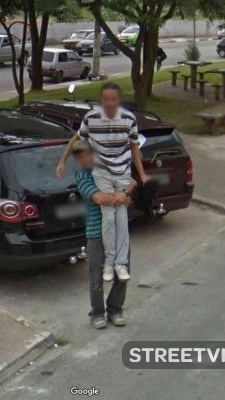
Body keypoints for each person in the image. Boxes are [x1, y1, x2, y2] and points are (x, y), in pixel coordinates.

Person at [56, 81, 149, 284]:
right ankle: (109, 262)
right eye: (106, 99)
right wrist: (62, 161)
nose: (109, 103)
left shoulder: (129, 119)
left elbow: (134, 148)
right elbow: (76, 139)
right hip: (102, 173)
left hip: (122, 172)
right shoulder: (91, 118)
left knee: (121, 218)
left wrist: (141, 175)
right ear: (102, 100)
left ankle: (120, 264)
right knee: (109, 217)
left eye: (113, 99)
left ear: (118, 100)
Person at [72, 140, 137, 329]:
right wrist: (122, 196)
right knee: (96, 276)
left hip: (119, 231)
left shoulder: (110, 168)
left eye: (87, 155)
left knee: (122, 271)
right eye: (80, 157)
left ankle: (115, 310)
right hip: (96, 232)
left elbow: (132, 183)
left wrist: (125, 194)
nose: (85, 160)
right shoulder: (82, 175)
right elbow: (99, 198)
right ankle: (97, 313)